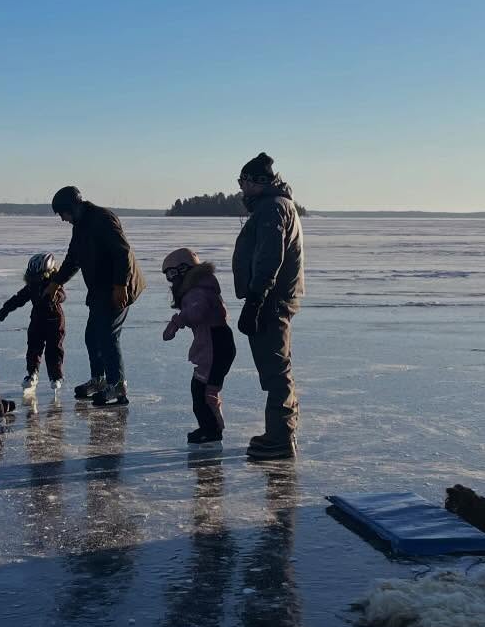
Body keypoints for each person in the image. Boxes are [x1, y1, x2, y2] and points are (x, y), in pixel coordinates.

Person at [231, 153, 305, 461]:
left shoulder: (273, 209)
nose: (241, 189)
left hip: (271, 301)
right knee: (276, 366)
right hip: (272, 299)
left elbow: (269, 258)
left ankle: (280, 438)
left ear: (257, 182)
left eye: (243, 182)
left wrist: (255, 301)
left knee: (276, 369)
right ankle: (279, 433)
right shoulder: (272, 207)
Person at [50, 185, 146, 406]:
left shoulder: (103, 218)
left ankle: (118, 384)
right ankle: (99, 380)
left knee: (107, 335)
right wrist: (56, 282)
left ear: (72, 208)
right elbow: (73, 258)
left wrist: (120, 286)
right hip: (100, 290)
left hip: (119, 286)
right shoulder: (80, 225)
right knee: (92, 336)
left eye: (63, 214)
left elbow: (122, 252)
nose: (63, 219)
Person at [161, 247, 237, 444]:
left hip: (215, 346)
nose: (170, 280)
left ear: (183, 270)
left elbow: (196, 312)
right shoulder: (202, 287)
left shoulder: (197, 291)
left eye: (171, 274)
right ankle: (212, 428)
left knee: (203, 391)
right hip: (215, 344)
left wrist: (176, 322)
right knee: (205, 389)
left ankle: (211, 430)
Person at [0, 251, 67, 396]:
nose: (36, 279)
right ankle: (32, 373)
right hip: (37, 320)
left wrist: (54, 297)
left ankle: (56, 376)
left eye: (39, 276)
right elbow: (19, 298)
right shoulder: (32, 286)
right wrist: (6, 309)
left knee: (54, 349)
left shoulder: (54, 284)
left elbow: (62, 295)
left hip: (55, 321)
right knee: (34, 348)